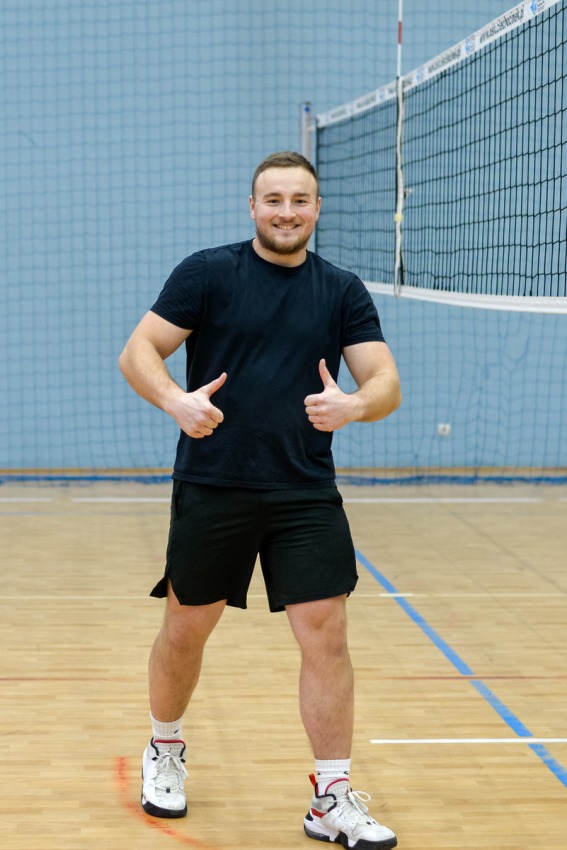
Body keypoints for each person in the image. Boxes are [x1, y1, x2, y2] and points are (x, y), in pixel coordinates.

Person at [119, 151, 401, 850]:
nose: (286, 212)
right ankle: (165, 747)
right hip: (214, 483)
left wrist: (354, 405)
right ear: (252, 207)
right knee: (186, 629)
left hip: (303, 490)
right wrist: (175, 401)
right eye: (273, 199)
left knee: (326, 633)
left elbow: (384, 382)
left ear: (317, 209)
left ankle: (330, 797)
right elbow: (139, 351)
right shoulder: (207, 273)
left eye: (299, 200)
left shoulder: (340, 290)